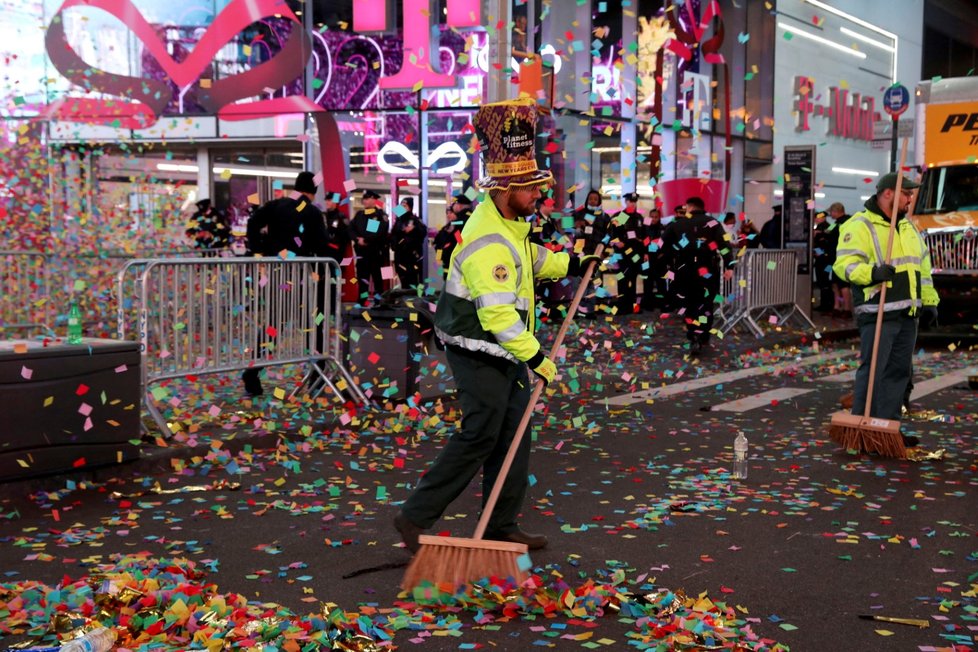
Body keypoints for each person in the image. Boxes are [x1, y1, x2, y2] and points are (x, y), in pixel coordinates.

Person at [394, 97, 598, 554]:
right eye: (531, 190)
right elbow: (498, 314)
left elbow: (530, 260)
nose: (538, 196)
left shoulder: (511, 225)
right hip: (477, 346)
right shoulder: (488, 239)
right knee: (482, 430)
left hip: (504, 347)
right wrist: (537, 357)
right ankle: (415, 516)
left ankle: (500, 524)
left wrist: (571, 262)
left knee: (514, 432)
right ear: (507, 191)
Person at [832, 172, 939, 446]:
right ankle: (861, 426)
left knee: (899, 373)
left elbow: (922, 269)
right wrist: (873, 273)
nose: (910, 199)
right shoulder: (860, 225)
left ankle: (888, 429)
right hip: (878, 309)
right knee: (873, 371)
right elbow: (844, 265)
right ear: (888, 193)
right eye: (906, 193)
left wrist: (929, 302)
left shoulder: (908, 227)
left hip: (908, 312)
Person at [242, 171, 330, 396]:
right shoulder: (312, 212)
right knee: (314, 324)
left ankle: (253, 370)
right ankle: (317, 374)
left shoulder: (275, 205)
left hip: (278, 273)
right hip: (305, 277)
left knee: (274, 323)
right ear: (313, 191)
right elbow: (321, 247)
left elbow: (253, 222)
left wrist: (259, 250)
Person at [662, 196, 734, 356]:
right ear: (702, 207)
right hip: (707, 268)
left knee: (689, 304)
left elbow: (663, 244)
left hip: (684, 269)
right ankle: (703, 334)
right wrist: (730, 265)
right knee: (706, 303)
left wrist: (670, 263)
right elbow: (724, 245)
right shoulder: (713, 223)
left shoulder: (677, 223)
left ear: (689, 207)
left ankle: (693, 333)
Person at [349, 189, 390, 304]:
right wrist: (357, 239)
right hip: (362, 254)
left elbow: (373, 233)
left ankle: (378, 302)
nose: (365, 201)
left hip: (375, 253)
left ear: (373, 199)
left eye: (367, 199)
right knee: (362, 279)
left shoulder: (379, 215)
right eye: (364, 199)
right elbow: (351, 229)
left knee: (377, 279)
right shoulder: (360, 215)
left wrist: (364, 239)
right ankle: (362, 300)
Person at [609, 193, 647, 314]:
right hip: (622, 253)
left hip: (636, 253)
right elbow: (612, 234)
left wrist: (646, 252)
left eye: (634, 201)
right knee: (622, 279)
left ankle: (633, 307)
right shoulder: (620, 216)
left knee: (635, 280)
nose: (632, 203)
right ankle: (622, 307)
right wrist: (616, 242)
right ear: (625, 202)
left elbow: (645, 236)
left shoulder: (640, 218)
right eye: (630, 201)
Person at [391, 196, 426, 290]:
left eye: (405, 206)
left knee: (412, 280)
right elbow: (393, 235)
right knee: (403, 279)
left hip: (411, 257)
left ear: (410, 207)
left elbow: (423, 232)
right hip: (399, 256)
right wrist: (394, 245)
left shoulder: (415, 220)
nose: (402, 208)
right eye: (401, 205)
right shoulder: (398, 221)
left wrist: (413, 230)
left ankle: (413, 301)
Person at [433, 194, 472, 278]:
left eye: (451, 212)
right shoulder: (446, 229)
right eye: (447, 213)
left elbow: (460, 241)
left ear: (459, 205)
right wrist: (439, 257)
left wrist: (454, 225)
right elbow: (438, 244)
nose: (449, 215)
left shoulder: (464, 220)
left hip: (458, 263)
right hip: (448, 262)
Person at [826, 202, 852, 317]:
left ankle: (847, 309)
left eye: (831, 212)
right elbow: (827, 232)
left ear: (836, 211)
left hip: (842, 259)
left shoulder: (846, 223)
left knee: (843, 285)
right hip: (834, 259)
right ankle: (837, 307)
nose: (830, 214)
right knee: (835, 284)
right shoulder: (835, 223)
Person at [640, 206, 666, 312]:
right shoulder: (645, 228)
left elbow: (666, 243)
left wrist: (662, 254)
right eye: (652, 217)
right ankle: (648, 304)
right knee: (647, 282)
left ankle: (662, 304)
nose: (654, 219)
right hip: (647, 259)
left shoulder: (663, 229)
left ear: (659, 218)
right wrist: (645, 253)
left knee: (661, 283)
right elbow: (642, 243)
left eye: (656, 217)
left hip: (660, 259)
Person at [812, 210, 836, 313]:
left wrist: (818, 252)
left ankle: (827, 305)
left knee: (823, 281)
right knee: (823, 281)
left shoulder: (827, 227)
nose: (815, 219)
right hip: (825, 260)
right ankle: (826, 304)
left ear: (823, 218)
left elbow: (825, 244)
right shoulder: (820, 227)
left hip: (825, 261)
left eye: (817, 217)